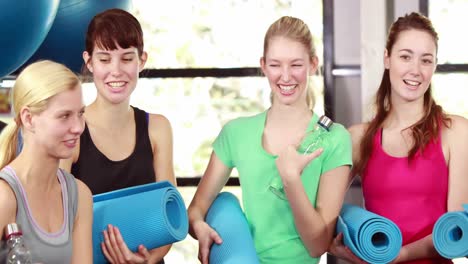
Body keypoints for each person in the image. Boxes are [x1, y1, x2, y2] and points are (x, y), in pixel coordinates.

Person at [188, 16, 353, 264]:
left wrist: (291, 180)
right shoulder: (236, 133)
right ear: (263, 66)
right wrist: (199, 227)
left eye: (296, 65)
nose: (285, 77)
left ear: (313, 65)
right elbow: (196, 210)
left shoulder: (334, 139)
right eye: (276, 65)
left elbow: (317, 246)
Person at [329, 12, 468, 264]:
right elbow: (321, 211)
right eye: (405, 57)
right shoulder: (358, 137)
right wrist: (335, 246)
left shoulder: (456, 132)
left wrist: (399, 255)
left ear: (435, 66)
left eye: (426, 60)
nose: (415, 70)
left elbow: (457, 230)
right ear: (387, 59)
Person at [60, 8, 175, 264]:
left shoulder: (157, 128)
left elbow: (170, 213)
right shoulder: (72, 132)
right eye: (104, 59)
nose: (116, 71)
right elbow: (58, 223)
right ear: (89, 62)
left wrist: (147, 259)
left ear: (141, 61)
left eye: (126, 59)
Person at [0, 60, 93, 264]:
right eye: (64, 116)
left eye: (80, 113)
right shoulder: (4, 197)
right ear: (29, 118)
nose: (78, 127)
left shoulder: (79, 195)